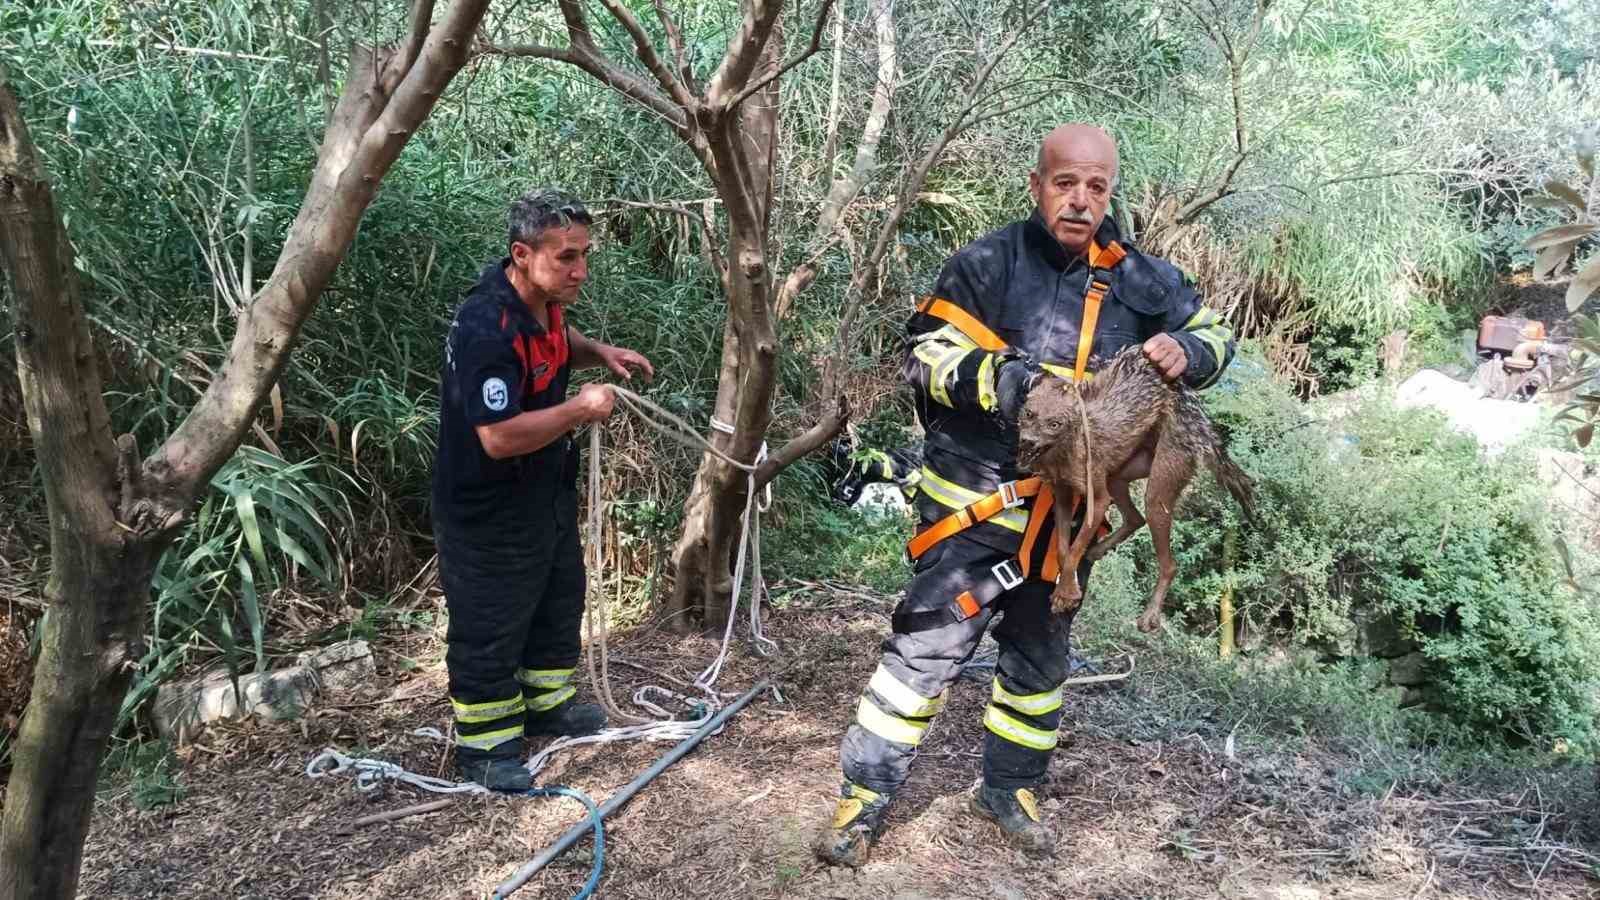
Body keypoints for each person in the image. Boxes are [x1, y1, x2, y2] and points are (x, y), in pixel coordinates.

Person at [816, 125, 1236, 864]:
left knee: (1040, 663)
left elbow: (1214, 331)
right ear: (1038, 184)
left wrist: (1191, 351)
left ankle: (1009, 790)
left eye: (1097, 188)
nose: (1080, 201)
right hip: (972, 506)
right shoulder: (986, 264)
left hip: (1068, 521)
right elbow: (926, 358)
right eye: (1066, 183)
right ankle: (865, 799)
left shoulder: (1142, 280)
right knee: (923, 655)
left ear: (1111, 192)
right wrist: (1012, 385)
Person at [431, 188, 653, 791]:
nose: (580, 270)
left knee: (558, 600)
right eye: (567, 258)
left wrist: (598, 353)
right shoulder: (486, 326)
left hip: (542, 493)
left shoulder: (543, 302)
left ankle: (547, 708)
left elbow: (559, 341)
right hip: (487, 507)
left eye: (584, 256)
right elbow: (499, 437)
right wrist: (581, 410)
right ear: (522, 254)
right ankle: (485, 746)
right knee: (491, 620)